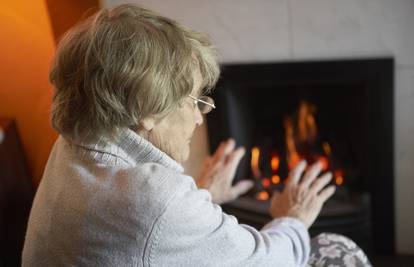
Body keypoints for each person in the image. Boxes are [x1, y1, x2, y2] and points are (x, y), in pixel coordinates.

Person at [22, 4, 371, 267]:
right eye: (193, 101)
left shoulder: (74, 143)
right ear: (147, 110)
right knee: (336, 250)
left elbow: (139, 239)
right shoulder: (154, 198)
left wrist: (201, 197)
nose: (201, 117)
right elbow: (268, 262)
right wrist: (291, 216)